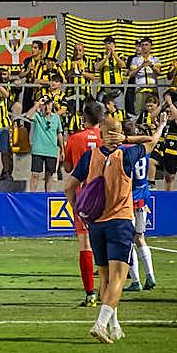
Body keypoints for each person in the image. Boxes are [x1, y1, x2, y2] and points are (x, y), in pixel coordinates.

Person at [64, 115, 165, 343]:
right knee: (119, 277)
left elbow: (68, 186)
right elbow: (153, 140)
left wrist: (79, 212)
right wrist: (133, 136)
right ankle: (100, 324)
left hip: (96, 224)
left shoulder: (90, 157)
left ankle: (114, 324)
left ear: (100, 132)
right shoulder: (127, 153)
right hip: (119, 221)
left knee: (105, 277)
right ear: (118, 133)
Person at [63, 100, 104, 306]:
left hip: (84, 196)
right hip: (107, 195)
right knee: (108, 242)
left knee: (85, 243)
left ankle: (90, 294)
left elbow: (68, 167)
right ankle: (107, 292)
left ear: (84, 118)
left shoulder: (74, 138)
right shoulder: (107, 138)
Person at [121, 120, 157, 293]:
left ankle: (136, 281)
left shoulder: (122, 152)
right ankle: (150, 275)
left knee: (127, 242)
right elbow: (153, 138)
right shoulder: (145, 150)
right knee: (140, 237)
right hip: (143, 201)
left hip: (128, 201)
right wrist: (162, 126)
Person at [25, 95, 64, 192]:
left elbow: (59, 134)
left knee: (49, 175)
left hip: (51, 150)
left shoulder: (56, 118)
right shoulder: (38, 116)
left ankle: (47, 195)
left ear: (52, 104)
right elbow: (28, 116)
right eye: (45, 104)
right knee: (35, 175)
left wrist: (62, 150)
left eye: (49, 104)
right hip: (38, 150)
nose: (47, 107)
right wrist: (37, 104)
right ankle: (32, 195)